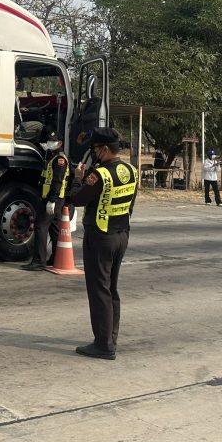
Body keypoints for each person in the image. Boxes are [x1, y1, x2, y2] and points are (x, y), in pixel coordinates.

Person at [66, 127, 137, 360]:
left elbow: (76, 198)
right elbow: (130, 205)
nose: (94, 153)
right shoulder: (131, 170)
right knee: (111, 289)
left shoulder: (100, 175)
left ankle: (103, 345)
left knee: (99, 291)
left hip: (101, 237)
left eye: (96, 148)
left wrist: (78, 178)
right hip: (121, 235)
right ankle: (110, 338)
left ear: (105, 149)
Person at [22, 129, 67, 271]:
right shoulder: (53, 157)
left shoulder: (60, 160)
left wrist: (52, 200)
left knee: (41, 226)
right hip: (52, 198)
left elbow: (57, 181)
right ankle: (55, 258)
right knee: (54, 229)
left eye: (53, 141)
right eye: (49, 140)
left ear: (59, 143)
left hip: (53, 198)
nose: (50, 142)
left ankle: (39, 261)